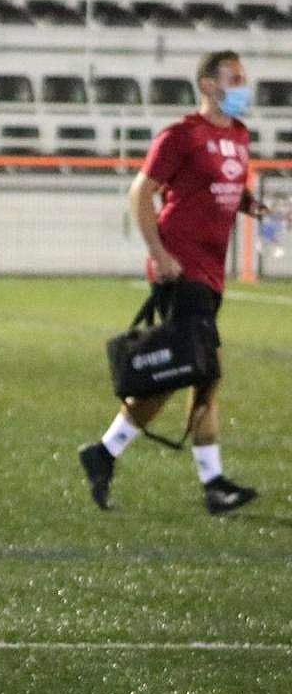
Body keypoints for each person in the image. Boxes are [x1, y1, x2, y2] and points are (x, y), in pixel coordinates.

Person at [78, 50, 263, 516]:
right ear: (207, 85)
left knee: (186, 375)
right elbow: (140, 192)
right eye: (233, 78)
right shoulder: (181, 135)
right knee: (202, 370)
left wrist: (257, 209)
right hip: (181, 269)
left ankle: (104, 452)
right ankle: (213, 484)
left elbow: (227, 189)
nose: (242, 86)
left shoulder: (239, 136)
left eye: (243, 78)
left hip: (211, 271)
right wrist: (159, 255)